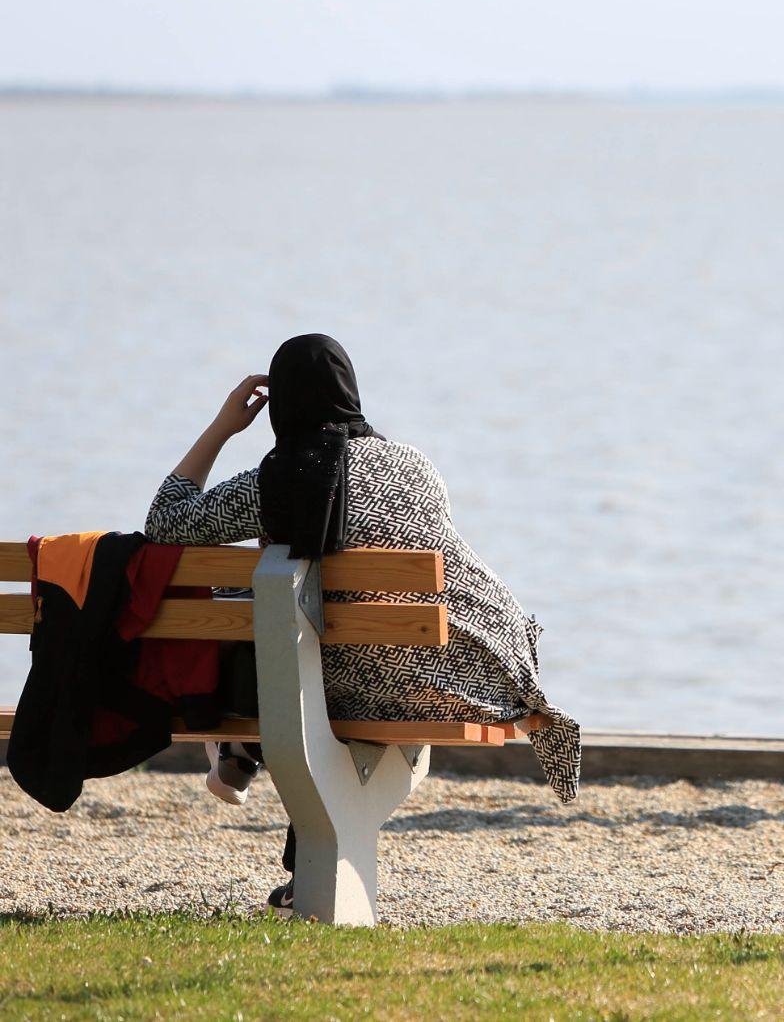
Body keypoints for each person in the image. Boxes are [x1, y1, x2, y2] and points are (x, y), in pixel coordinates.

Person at [144, 334, 580, 911]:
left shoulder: (278, 478)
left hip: (325, 692)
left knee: (261, 610)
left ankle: (240, 746)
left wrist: (222, 427)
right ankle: (276, 816)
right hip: (439, 683)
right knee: (294, 618)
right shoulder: (415, 465)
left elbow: (163, 523)